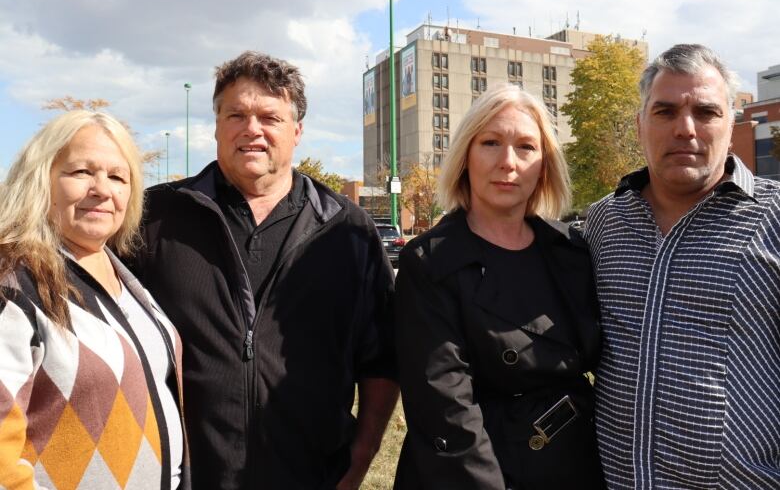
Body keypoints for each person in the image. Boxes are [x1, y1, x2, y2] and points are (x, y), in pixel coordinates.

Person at [130, 51, 398, 489]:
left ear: (297, 131)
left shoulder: (348, 230)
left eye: (269, 117)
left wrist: (361, 456)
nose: (251, 128)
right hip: (185, 477)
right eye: (236, 114)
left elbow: (381, 358)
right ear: (216, 127)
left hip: (312, 475)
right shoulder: (155, 218)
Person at [585, 44, 780, 488]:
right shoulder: (602, 224)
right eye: (665, 111)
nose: (685, 129)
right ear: (640, 126)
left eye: (706, 112)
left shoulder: (775, 220)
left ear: (732, 125)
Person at [394, 83, 604, 489]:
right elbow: (446, 409)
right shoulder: (430, 261)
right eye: (491, 142)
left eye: (526, 147)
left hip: (573, 464)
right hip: (475, 471)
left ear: (544, 164)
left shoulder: (571, 252)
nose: (508, 162)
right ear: (465, 157)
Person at [0, 110, 188, 489]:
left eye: (118, 177)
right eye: (82, 172)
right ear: (41, 180)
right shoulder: (13, 283)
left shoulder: (128, 281)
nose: (103, 189)